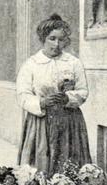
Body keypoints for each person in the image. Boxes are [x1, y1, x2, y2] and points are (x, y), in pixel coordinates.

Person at [16, 14, 92, 174]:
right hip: (41, 123)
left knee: (69, 166)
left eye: (61, 39)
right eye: (52, 38)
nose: (57, 44)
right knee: (40, 167)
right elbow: (23, 95)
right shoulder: (31, 64)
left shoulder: (73, 63)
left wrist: (68, 98)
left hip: (70, 123)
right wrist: (41, 103)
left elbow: (83, 91)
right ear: (44, 38)